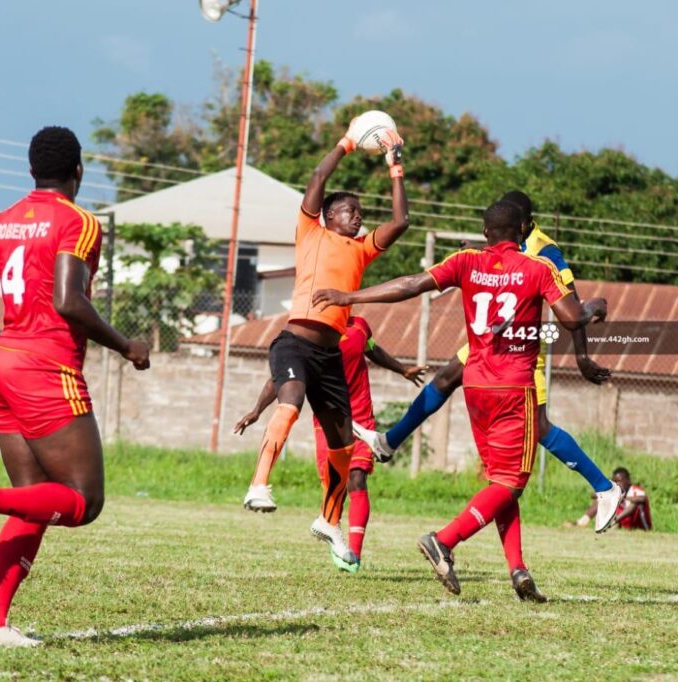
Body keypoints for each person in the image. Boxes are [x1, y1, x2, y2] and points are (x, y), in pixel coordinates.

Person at [312, 200, 608, 601]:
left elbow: (411, 284)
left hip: (475, 386)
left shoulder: (467, 261)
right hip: (514, 385)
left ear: (486, 233)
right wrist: (594, 309)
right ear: (522, 231)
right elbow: (570, 318)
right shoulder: (539, 268)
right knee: (511, 482)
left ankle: (518, 570)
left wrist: (349, 297)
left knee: (498, 483)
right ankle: (444, 540)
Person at [0, 126, 150, 647]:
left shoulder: (5, 221)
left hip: (4, 366)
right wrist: (126, 346)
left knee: (35, 499)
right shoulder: (79, 221)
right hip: (46, 370)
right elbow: (70, 301)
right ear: (79, 171)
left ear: (32, 170)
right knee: (83, 501)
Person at [352, 190, 623, 533]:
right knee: (446, 377)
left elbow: (573, 305)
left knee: (538, 426)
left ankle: (605, 488)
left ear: (522, 224)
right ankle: (390, 441)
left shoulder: (547, 251)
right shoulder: (509, 238)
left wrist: (582, 355)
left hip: (522, 347)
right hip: (489, 344)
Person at [242, 119, 408, 569]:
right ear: (328, 216)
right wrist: (348, 143)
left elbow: (401, 221)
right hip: (294, 341)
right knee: (291, 405)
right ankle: (259, 483)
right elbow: (318, 179)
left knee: (341, 447)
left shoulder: (361, 249)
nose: (357, 216)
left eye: (359, 212)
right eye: (348, 210)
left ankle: (329, 522)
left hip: (329, 354)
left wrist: (396, 170)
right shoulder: (311, 233)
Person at [235, 316, 426, 571]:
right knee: (333, 484)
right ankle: (331, 527)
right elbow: (280, 377)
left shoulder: (360, 325)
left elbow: (373, 349)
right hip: (328, 415)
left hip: (360, 413)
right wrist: (257, 409)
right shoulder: (313, 334)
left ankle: (353, 553)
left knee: (356, 477)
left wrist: (402, 369)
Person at [574, 467, 652, 530]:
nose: (617, 484)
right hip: (624, 527)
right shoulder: (616, 492)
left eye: (619, 481)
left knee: (634, 502)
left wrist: (623, 497)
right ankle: (583, 521)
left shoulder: (635, 490)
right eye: (615, 481)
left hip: (641, 527)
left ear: (628, 481)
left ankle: (612, 523)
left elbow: (642, 499)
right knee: (602, 498)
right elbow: (593, 495)